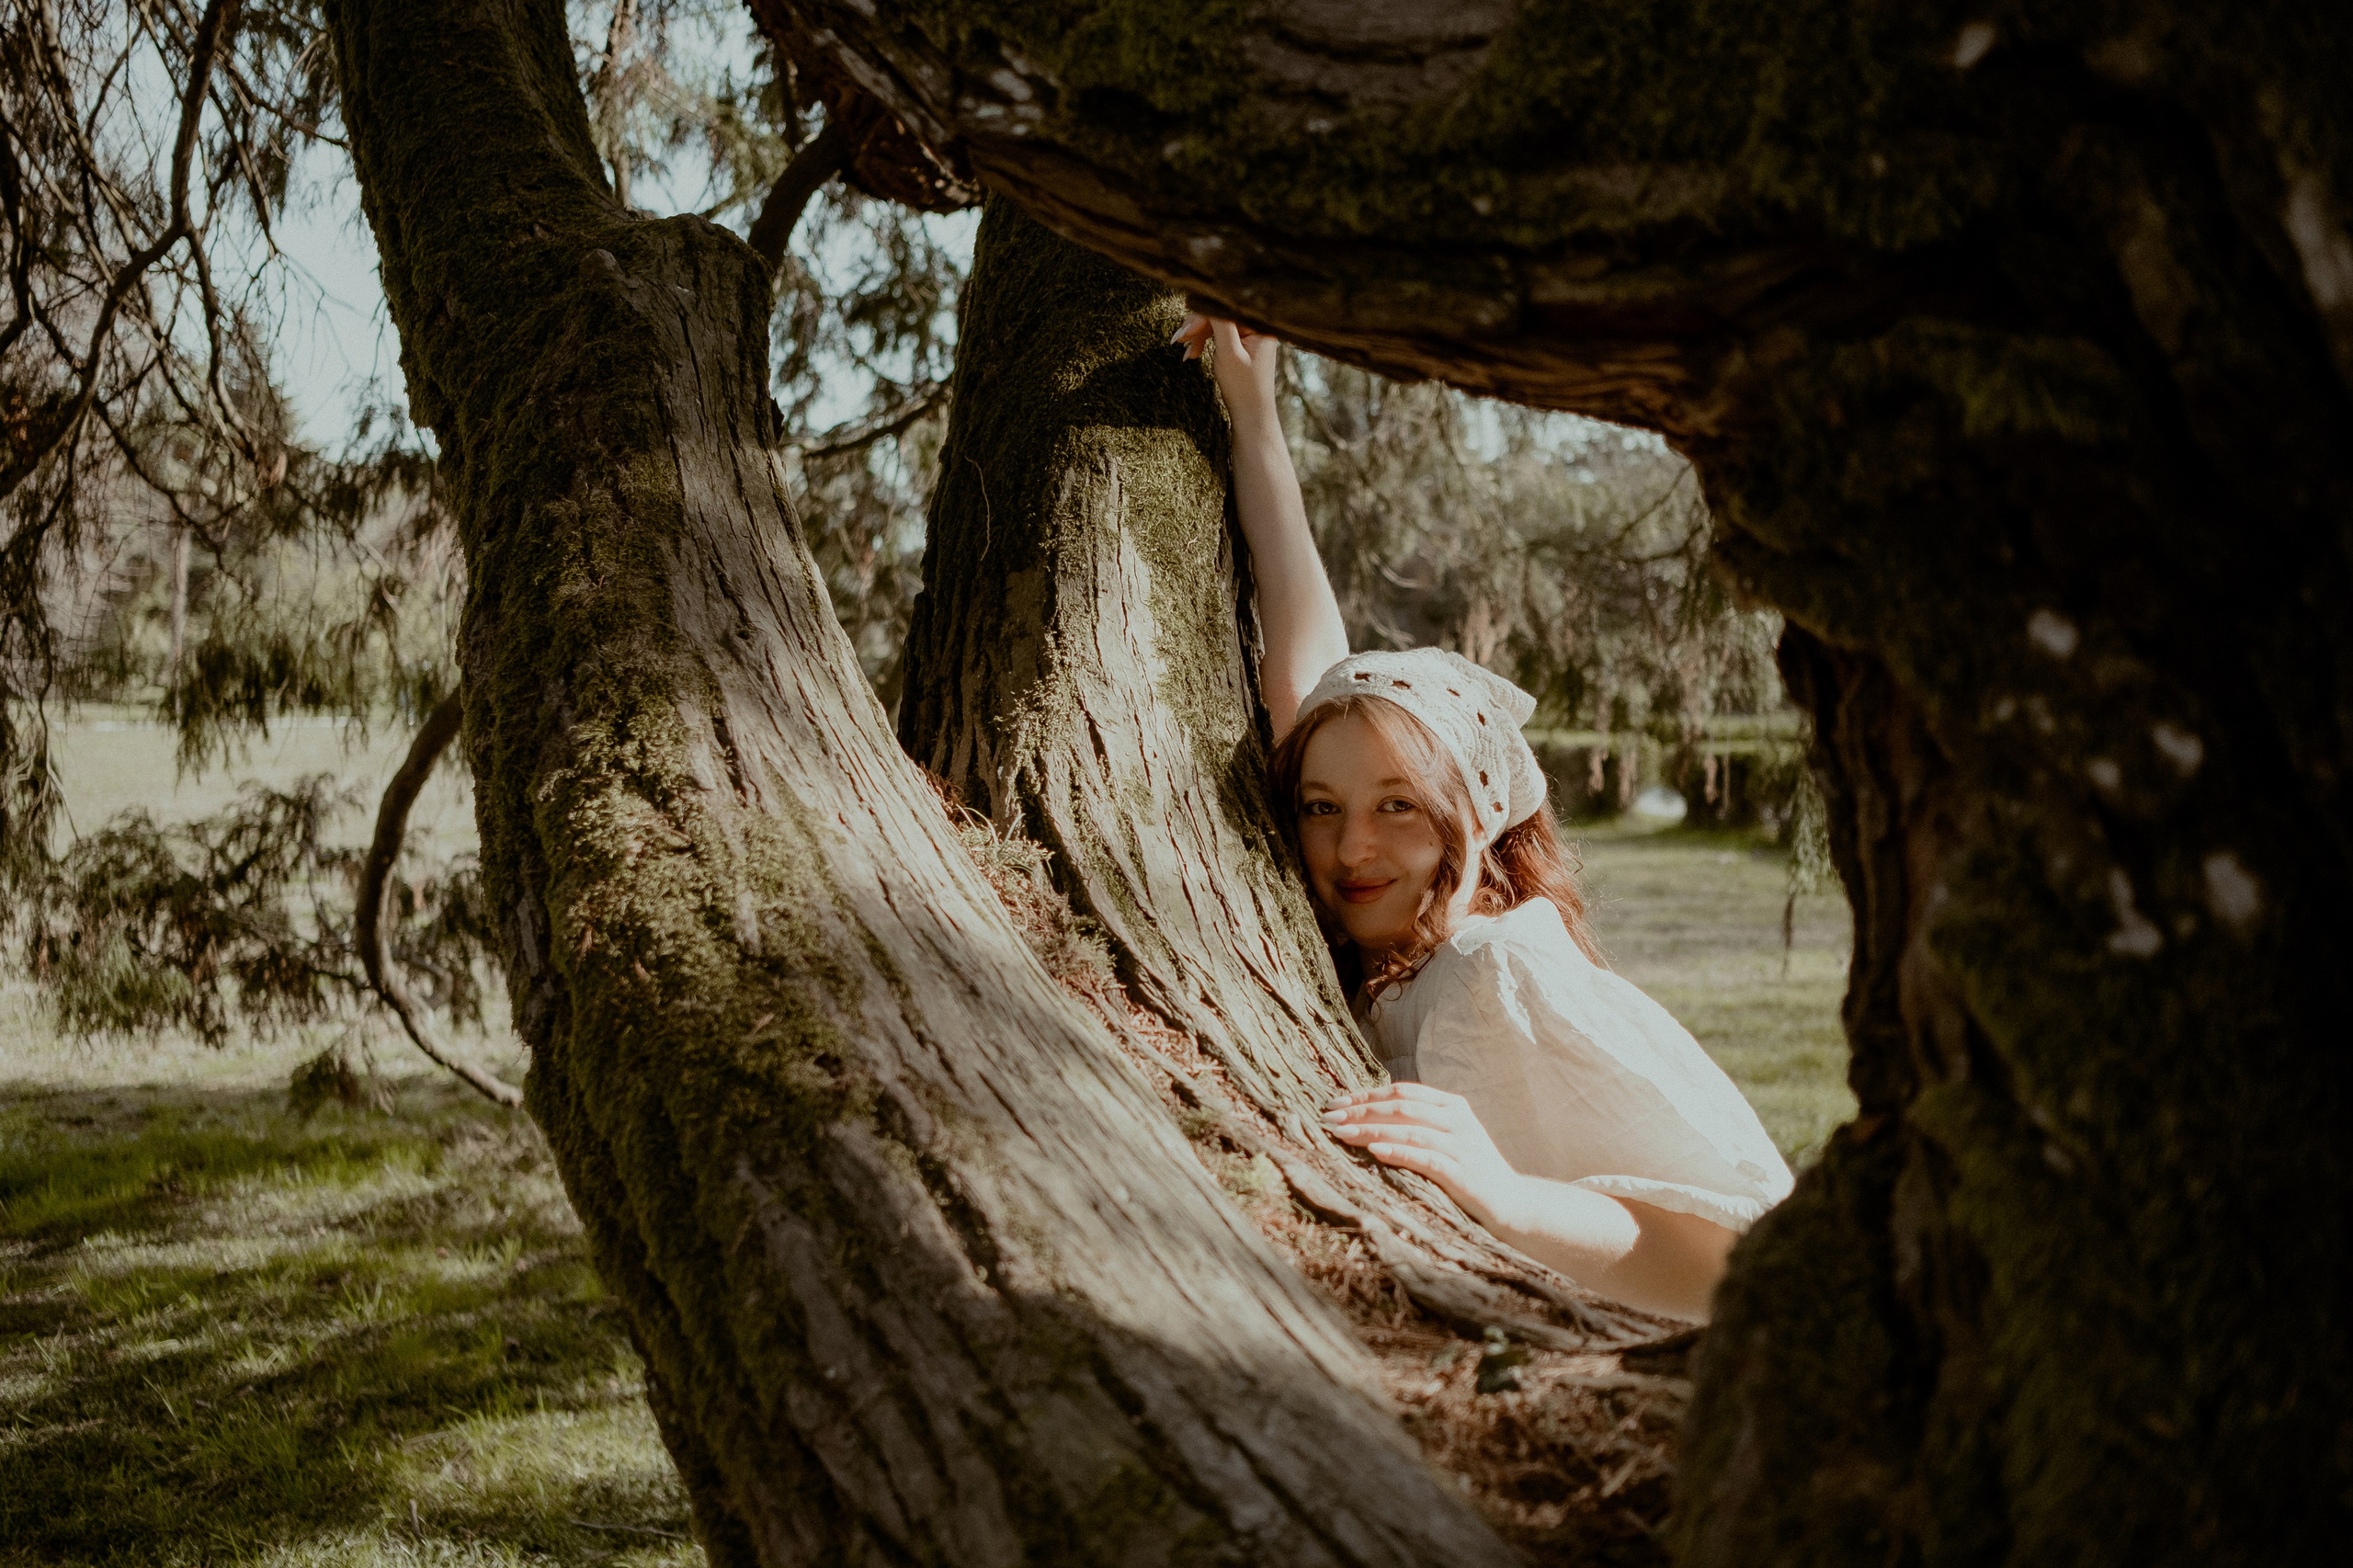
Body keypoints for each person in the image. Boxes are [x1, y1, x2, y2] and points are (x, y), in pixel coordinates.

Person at [1173, 312, 1793, 1322]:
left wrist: (1506, 1195)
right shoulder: (1402, 952)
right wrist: (1256, 418)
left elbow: (1737, 1263)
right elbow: (1307, 676)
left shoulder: (1499, 971)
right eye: (1320, 806)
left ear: (1484, 817)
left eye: (1399, 809)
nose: (1350, 847)